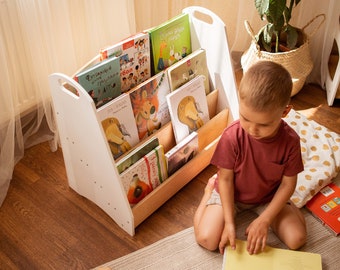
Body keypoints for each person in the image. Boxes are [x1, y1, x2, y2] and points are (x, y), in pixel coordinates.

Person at [193, 61, 307, 255]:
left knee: (297, 239)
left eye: (264, 124)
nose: (252, 129)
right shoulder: (232, 136)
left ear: (285, 112)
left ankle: (289, 207)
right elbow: (227, 180)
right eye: (245, 118)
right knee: (206, 239)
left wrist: (265, 220)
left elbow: (288, 185)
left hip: (268, 197)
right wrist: (229, 223)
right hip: (231, 194)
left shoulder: (291, 141)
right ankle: (208, 191)